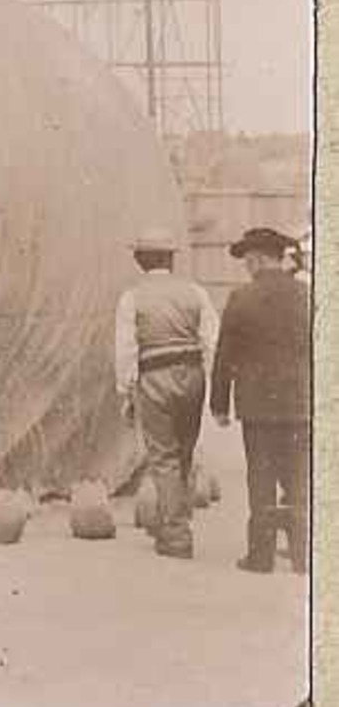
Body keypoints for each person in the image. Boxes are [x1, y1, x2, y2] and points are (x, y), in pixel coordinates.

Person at [211, 226, 311, 575]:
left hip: (257, 406)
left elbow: (225, 355)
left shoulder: (241, 298)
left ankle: (261, 556)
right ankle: (303, 554)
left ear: (255, 259)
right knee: (299, 476)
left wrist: (219, 404)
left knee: (261, 476)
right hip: (302, 402)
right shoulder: (306, 295)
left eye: (246, 261)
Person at [114, 227, 219, 560]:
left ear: (140, 260)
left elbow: (126, 351)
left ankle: (175, 536)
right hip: (192, 375)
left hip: (154, 375)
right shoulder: (196, 293)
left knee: (163, 456)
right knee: (184, 452)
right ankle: (173, 518)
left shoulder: (132, 297)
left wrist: (127, 392)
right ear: (171, 259)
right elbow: (212, 340)